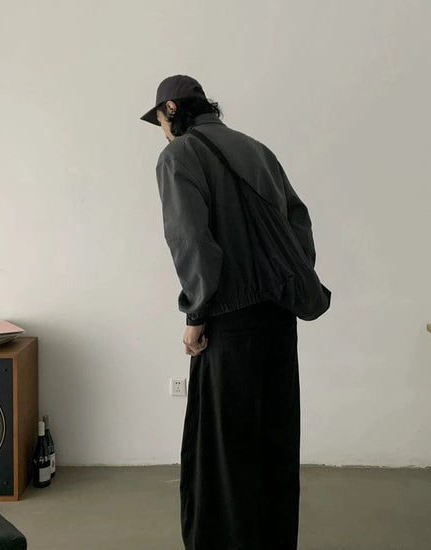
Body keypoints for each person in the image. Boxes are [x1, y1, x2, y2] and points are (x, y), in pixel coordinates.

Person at [141, 75, 330, 550]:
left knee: (224, 452)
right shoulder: (258, 150)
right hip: (279, 320)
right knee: (275, 444)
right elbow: (299, 226)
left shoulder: (180, 154)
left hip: (229, 324)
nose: (162, 131)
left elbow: (190, 239)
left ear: (171, 109)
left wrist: (196, 316)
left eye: (160, 120)